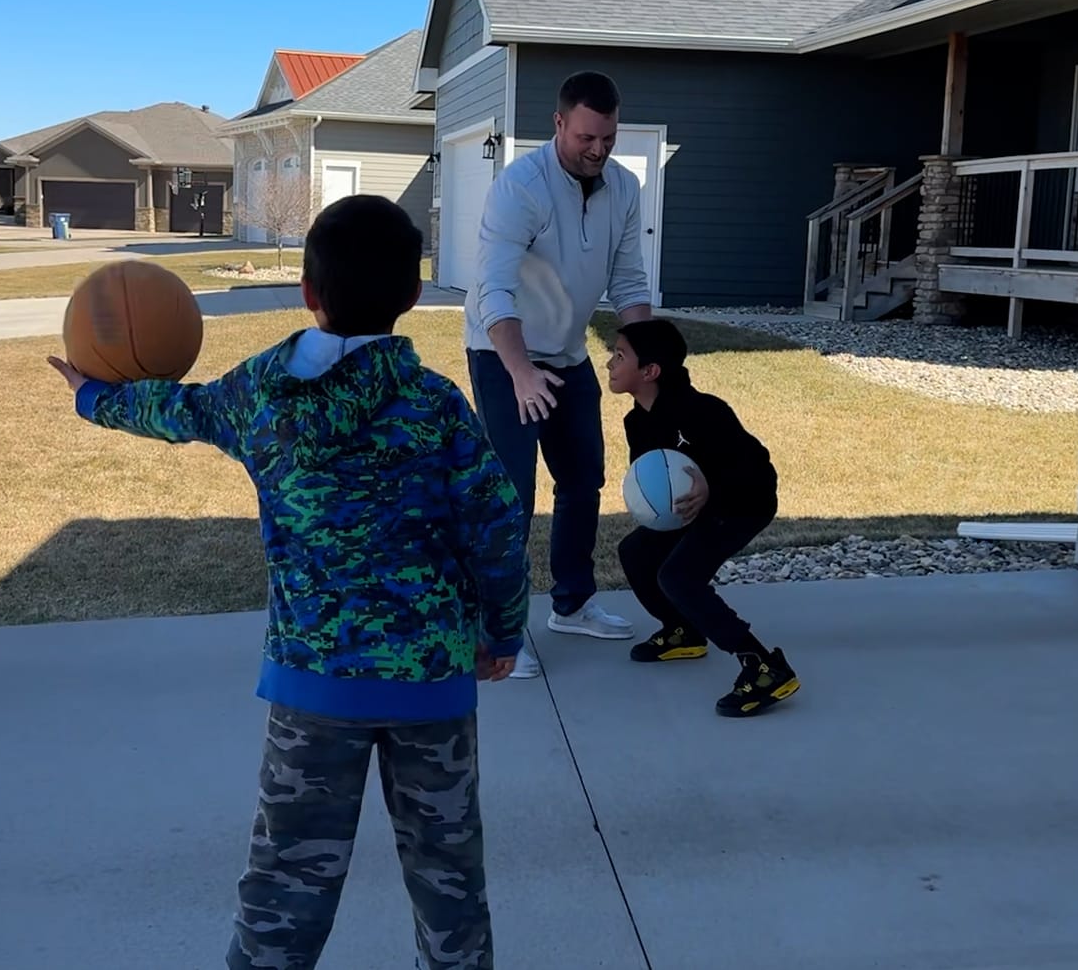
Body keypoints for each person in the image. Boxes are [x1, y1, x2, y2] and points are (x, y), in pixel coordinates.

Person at [49, 195, 529, 970]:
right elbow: (497, 525)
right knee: (449, 890)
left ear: (309, 292)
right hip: (430, 687)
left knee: (283, 892)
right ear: (412, 297)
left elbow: (181, 410)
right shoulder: (435, 405)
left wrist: (93, 395)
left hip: (312, 686)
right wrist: (502, 630)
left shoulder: (260, 395)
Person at [464, 70, 654, 677]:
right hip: (503, 354)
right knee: (511, 497)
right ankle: (500, 631)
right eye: (586, 137)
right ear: (558, 125)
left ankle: (571, 603)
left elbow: (628, 282)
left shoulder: (624, 188)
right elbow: (492, 289)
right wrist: (520, 372)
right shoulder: (520, 187)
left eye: (609, 137)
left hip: (568, 354)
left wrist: (650, 363)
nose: (598, 149)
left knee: (582, 479)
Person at [606, 318, 801, 718]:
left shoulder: (703, 411)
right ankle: (684, 631)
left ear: (650, 371)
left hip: (743, 504)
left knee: (679, 576)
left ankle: (764, 666)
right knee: (635, 552)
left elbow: (759, 470)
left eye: (620, 355)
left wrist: (711, 487)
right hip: (692, 511)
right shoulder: (636, 422)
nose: (609, 362)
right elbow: (652, 478)